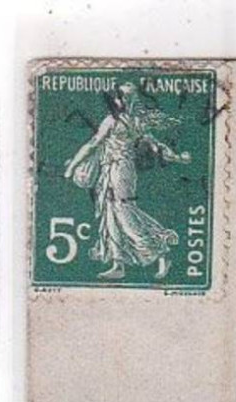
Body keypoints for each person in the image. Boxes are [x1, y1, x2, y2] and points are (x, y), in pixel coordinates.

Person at [62, 82, 191, 281]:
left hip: (117, 171)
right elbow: (155, 144)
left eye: (119, 97)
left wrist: (72, 167)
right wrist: (176, 157)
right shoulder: (136, 122)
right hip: (118, 170)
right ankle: (118, 264)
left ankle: (160, 249)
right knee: (111, 214)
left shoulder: (112, 121)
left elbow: (92, 144)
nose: (115, 100)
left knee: (123, 213)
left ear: (124, 100)